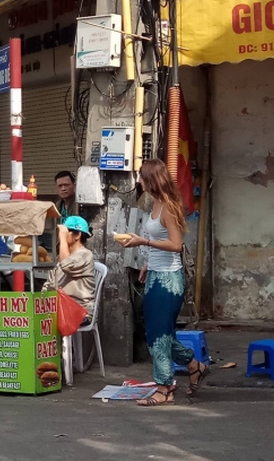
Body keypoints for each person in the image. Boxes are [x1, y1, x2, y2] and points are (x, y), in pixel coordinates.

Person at [119, 159, 210, 406]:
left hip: (169, 280)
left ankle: (164, 388)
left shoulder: (169, 206)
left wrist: (143, 243)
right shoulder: (155, 203)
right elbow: (161, 244)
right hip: (156, 274)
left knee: (158, 336)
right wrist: (148, 264)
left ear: (151, 179)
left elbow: (175, 245)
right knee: (160, 334)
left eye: (141, 177)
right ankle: (194, 365)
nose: (138, 181)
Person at [42, 216, 95, 320]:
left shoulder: (85, 255)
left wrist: (63, 239)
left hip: (79, 310)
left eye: (65, 232)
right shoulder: (61, 257)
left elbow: (66, 266)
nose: (60, 235)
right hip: (60, 307)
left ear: (77, 235)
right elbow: (50, 282)